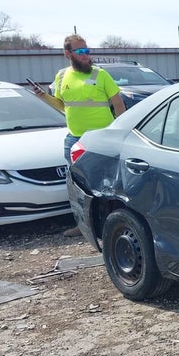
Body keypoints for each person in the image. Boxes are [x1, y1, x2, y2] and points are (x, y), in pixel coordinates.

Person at [31, 34, 125, 236]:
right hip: (74, 139)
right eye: (80, 51)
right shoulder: (61, 76)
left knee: (108, 183)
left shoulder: (100, 75)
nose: (86, 55)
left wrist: (122, 132)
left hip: (102, 139)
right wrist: (43, 96)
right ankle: (84, 226)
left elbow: (118, 104)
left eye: (87, 51)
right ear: (68, 53)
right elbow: (62, 105)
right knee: (78, 185)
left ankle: (112, 225)